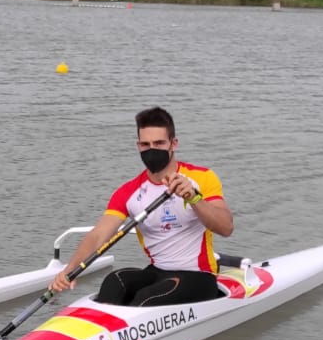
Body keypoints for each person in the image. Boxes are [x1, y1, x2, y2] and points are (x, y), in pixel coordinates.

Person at [50, 107, 234, 306]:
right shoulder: (128, 191)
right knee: (115, 282)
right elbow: (98, 235)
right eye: (145, 144)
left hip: (199, 276)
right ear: (138, 146)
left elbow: (226, 227)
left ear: (174, 143)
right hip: (158, 272)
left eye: (159, 143)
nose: (152, 149)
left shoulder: (202, 178)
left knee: (146, 299)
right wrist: (70, 269)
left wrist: (194, 198)